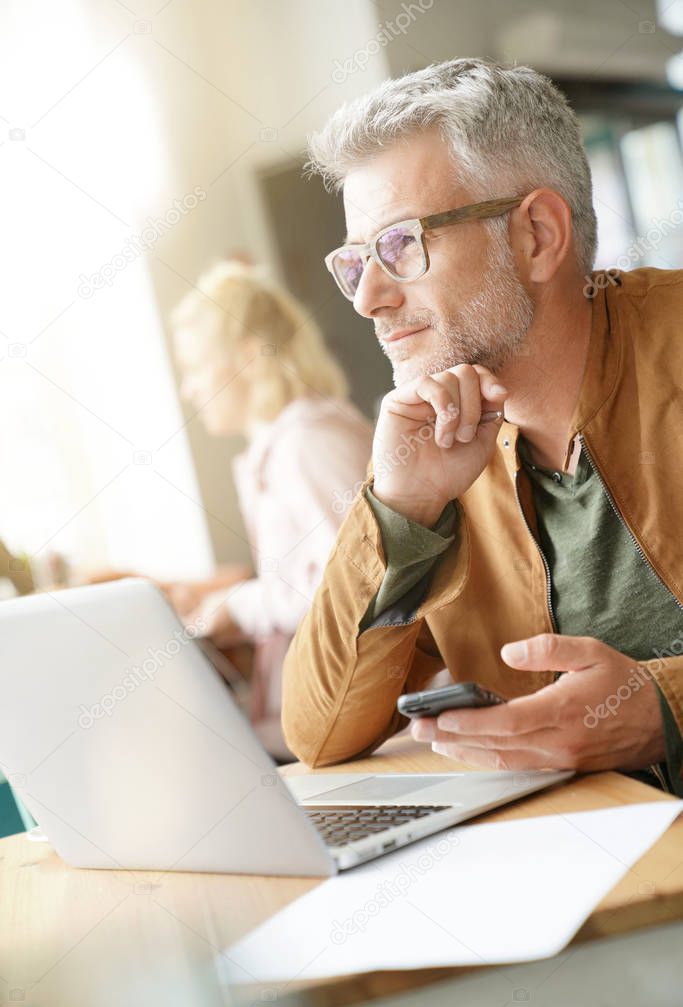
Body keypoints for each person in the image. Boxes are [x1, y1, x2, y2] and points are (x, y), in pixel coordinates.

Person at [281, 58, 683, 796]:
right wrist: (400, 513)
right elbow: (318, 731)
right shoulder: (433, 444)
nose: (368, 297)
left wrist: (664, 709)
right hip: (578, 873)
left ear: (535, 234)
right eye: (355, 261)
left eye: (401, 245)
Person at [169, 261, 373, 757]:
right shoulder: (276, 448)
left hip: (360, 718)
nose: (188, 389)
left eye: (196, 367)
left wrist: (238, 604)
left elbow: (358, 588)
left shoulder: (308, 440)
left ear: (248, 358)